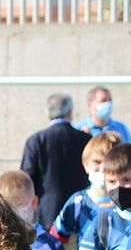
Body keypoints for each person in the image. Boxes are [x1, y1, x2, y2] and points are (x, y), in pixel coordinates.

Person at [19, 93, 92, 231]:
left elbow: (26, 179)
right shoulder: (85, 139)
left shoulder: (36, 141)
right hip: (81, 213)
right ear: (70, 112)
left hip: (47, 214)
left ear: (48, 112)